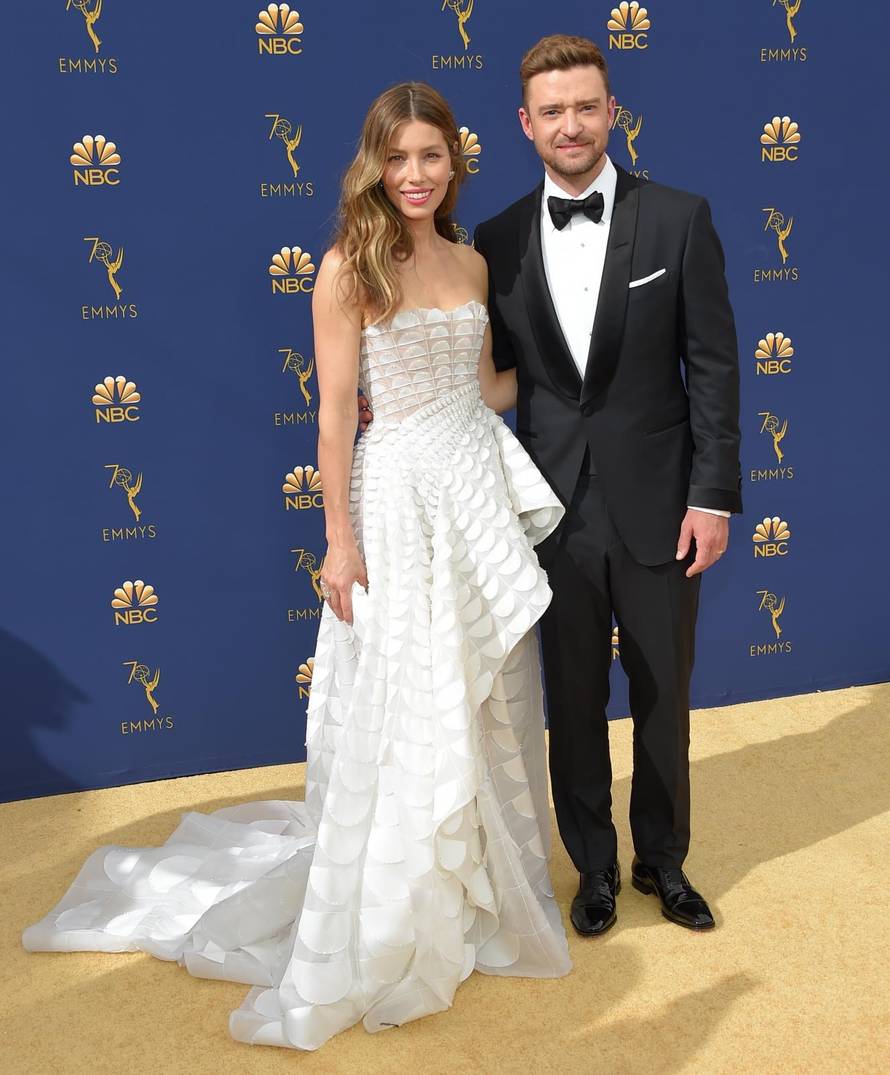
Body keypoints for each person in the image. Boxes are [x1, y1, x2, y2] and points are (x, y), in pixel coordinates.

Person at [22, 82, 571, 1051]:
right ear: (374, 162)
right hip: (395, 494)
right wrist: (338, 538)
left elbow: (483, 385)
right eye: (396, 158)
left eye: (430, 157)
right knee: (410, 689)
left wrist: (578, 367)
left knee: (482, 686)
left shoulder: (476, 263)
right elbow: (332, 414)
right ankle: (405, 898)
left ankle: (481, 888)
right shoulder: (346, 268)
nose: (413, 175)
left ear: (454, 162)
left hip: (469, 483)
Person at [472, 35, 742, 936]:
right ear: (525, 124)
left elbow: (713, 368)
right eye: (552, 111)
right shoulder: (499, 239)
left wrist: (714, 495)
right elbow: (492, 381)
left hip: (664, 504)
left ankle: (661, 861)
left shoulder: (679, 219)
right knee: (574, 698)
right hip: (553, 509)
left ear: (611, 111)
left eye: (585, 106)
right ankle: (590, 865)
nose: (571, 124)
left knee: (665, 693)